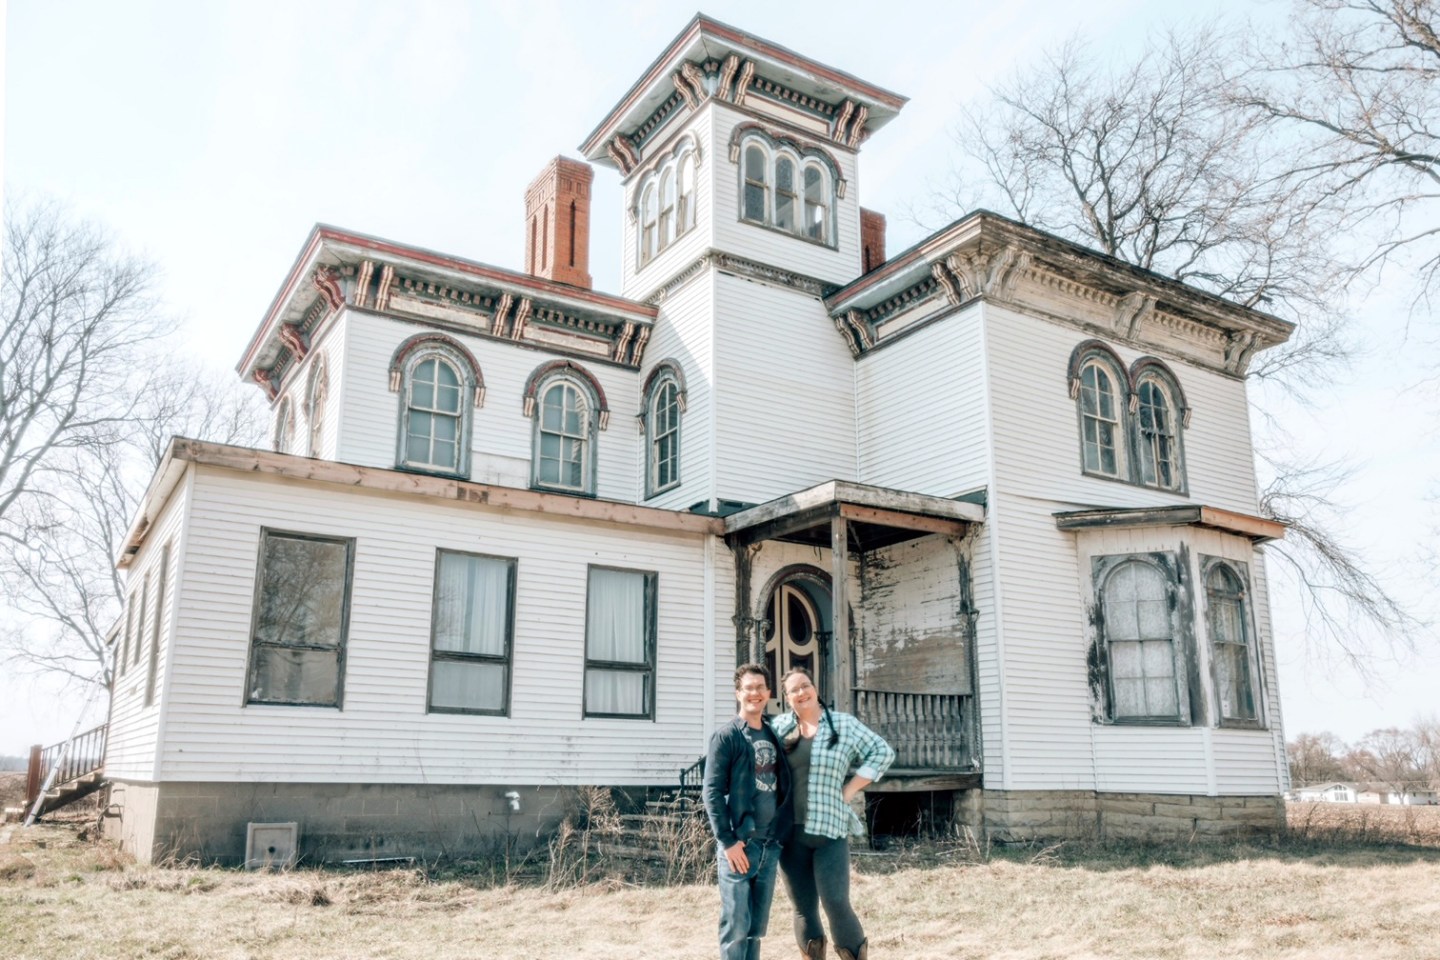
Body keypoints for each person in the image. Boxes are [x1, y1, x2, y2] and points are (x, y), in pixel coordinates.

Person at [772, 667, 895, 960]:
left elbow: (883, 752)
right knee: (802, 908)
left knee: (836, 902)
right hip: (791, 837)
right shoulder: (779, 728)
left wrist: (851, 788)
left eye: (805, 686)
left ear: (815, 688)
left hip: (830, 832)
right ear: (787, 698)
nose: (801, 693)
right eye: (794, 690)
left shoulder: (844, 725)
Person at [703, 663, 794, 960]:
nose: (754, 693)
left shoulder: (775, 734)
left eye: (760, 688)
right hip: (741, 846)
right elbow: (712, 792)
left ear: (768, 692)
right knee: (736, 927)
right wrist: (727, 842)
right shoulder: (727, 737)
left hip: (770, 845)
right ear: (738, 693)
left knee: (756, 929)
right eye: (748, 688)